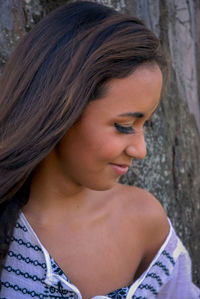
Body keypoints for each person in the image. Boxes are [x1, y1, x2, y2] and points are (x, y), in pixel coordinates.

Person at [0, 1, 199, 298]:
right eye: (124, 125)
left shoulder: (145, 222)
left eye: (145, 124)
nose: (140, 150)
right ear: (60, 110)